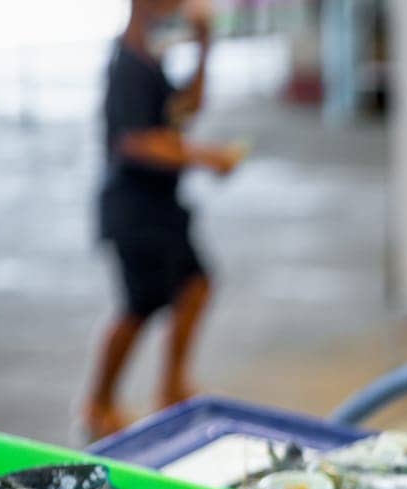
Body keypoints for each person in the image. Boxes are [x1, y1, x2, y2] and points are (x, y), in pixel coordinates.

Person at [87, 0, 244, 440]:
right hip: (133, 209)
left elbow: (185, 109)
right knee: (138, 307)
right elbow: (134, 142)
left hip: (161, 206)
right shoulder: (126, 66)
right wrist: (204, 156)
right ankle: (97, 402)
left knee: (195, 284)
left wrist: (205, 46)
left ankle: (171, 387)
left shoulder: (151, 59)